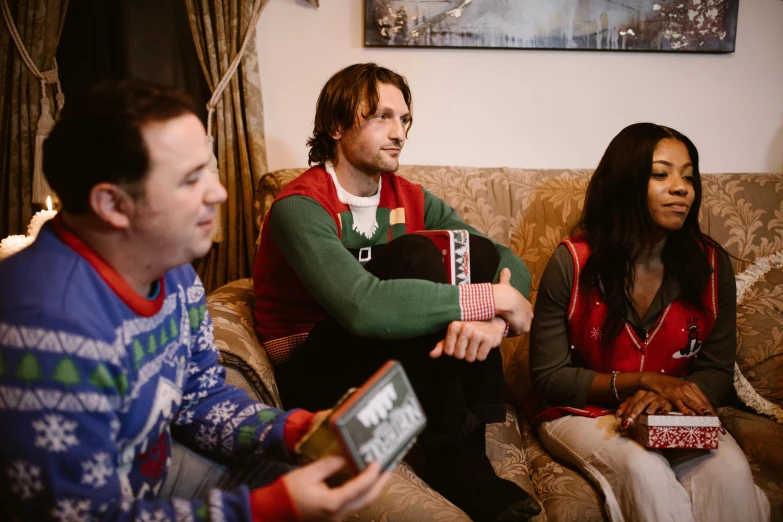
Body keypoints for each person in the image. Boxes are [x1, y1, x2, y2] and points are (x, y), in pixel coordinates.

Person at [0, 80, 391, 522]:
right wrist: (268, 510)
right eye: (190, 180)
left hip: (155, 470)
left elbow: (198, 397)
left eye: (209, 169)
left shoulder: (171, 267)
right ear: (111, 204)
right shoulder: (46, 328)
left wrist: (301, 430)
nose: (219, 193)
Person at [253, 63, 541, 522]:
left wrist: (495, 320)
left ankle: (470, 440)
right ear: (336, 125)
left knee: (469, 252)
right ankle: (451, 457)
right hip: (312, 364)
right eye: (381, 116)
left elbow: (502, 258)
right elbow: (363, 307)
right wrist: (491, 300)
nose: (399, 132)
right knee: (419, 258)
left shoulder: (410, 196)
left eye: (404, 119)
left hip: (387, 354)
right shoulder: (299, 206)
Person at [528, 123, 770, 522]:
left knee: (730, 473)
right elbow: (549, 377)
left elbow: (715, 369)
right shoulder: (572, 261)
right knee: (645, 470)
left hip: (675, 409)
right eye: (661, 174)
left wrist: (670, 396)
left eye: (688, 176)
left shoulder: (710, 263)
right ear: (625, 182)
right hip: (581, 411)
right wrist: (641, 381)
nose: (681, 188)